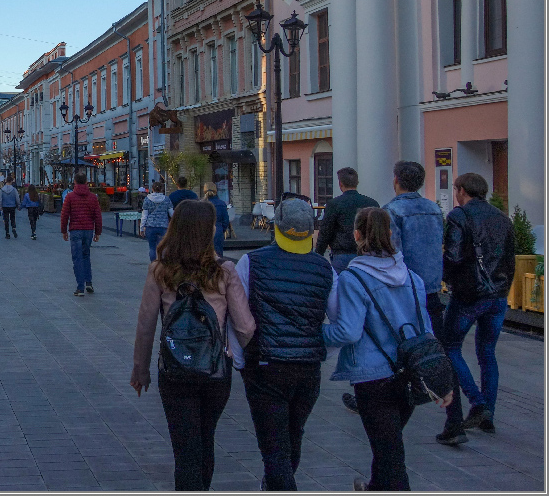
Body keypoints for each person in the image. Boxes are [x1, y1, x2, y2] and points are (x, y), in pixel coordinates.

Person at [324, 207, 452, 491]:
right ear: (391, 233)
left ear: (357, 235)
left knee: (390, 453)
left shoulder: (353, 279)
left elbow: (347, 330)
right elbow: (425, 329)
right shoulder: (411, 276)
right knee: (388, 445)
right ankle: (372, 487)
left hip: (373, 377)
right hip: (409, 374)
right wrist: (440, 379)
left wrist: (316, 335)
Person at [131, 200, 255, 491]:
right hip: (214, 372)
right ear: (206, 231)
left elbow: (146, 325)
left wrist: (141, 371)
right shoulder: (224, 271)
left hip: (173, 371)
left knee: (184, 450)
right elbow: (246, 326)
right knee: (205, 440)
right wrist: (233, 353)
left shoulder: (160, 270)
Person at [227, 197, 335, 492]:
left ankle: (279, 486)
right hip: (308, 369)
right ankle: (275, 484)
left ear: (276, 227)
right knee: (293, 434)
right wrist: (317, 344)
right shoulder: (324, 269)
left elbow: (238, 318)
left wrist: (238, 360)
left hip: (265, 366)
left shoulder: (252, 262)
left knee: (273, 445)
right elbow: (340, 321)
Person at [439, 172, 516, 445]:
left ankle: (477, 401)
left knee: (449, 346)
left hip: (469, 295)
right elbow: (510, 259)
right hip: (497, 295)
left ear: (461, 191)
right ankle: (488, 413)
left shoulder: (459, 216)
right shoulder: (502, 218)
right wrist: (504, 289)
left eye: (456, 189)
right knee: (487, 353)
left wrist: (447, 278)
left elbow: (454, 255)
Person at [381, 160, 445, 418]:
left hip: (405, 289)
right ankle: (452, 416)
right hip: (431, 288)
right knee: (437, 350)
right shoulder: (433, 209)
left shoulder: (392, 211)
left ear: (396, 180)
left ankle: (392, 399)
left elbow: (393, 252)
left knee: (394, 347)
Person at [316, 167, 379, 273]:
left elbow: (325, 232)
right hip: (368, 255)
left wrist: (318, 254)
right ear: (357, 182)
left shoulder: (334, 204)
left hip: (342, 255)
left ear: (340, 184)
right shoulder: (372, 203)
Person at [60, 173, 102, 296]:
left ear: (75, 182)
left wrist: (64, 231)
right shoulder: (93, 197)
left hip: (75, 230)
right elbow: (97, 216)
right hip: (88, 230)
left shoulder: (70, 197)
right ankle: (88, 282)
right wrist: (97, 232)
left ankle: (80, 287)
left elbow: (64, 215)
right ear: (86, 182)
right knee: (86, 256)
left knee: (77, 258)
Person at [141, 181, 174, 262]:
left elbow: (144, 216)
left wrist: (141, 228)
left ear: (152, 189)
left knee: (152, 248)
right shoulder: (166, 199)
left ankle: (153, 264)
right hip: (163, 226)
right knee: (162, 248)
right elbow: (172, 214)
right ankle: (161, 264)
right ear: (162, 189)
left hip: (150, 226)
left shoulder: (147, 200)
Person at [203, 184, 230, 258]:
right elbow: (226, 221)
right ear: (216, 191)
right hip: (217, 231)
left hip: (204, 232)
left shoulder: (201, 204)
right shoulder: (221, 203)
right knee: (218, 257)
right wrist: (221, 230)